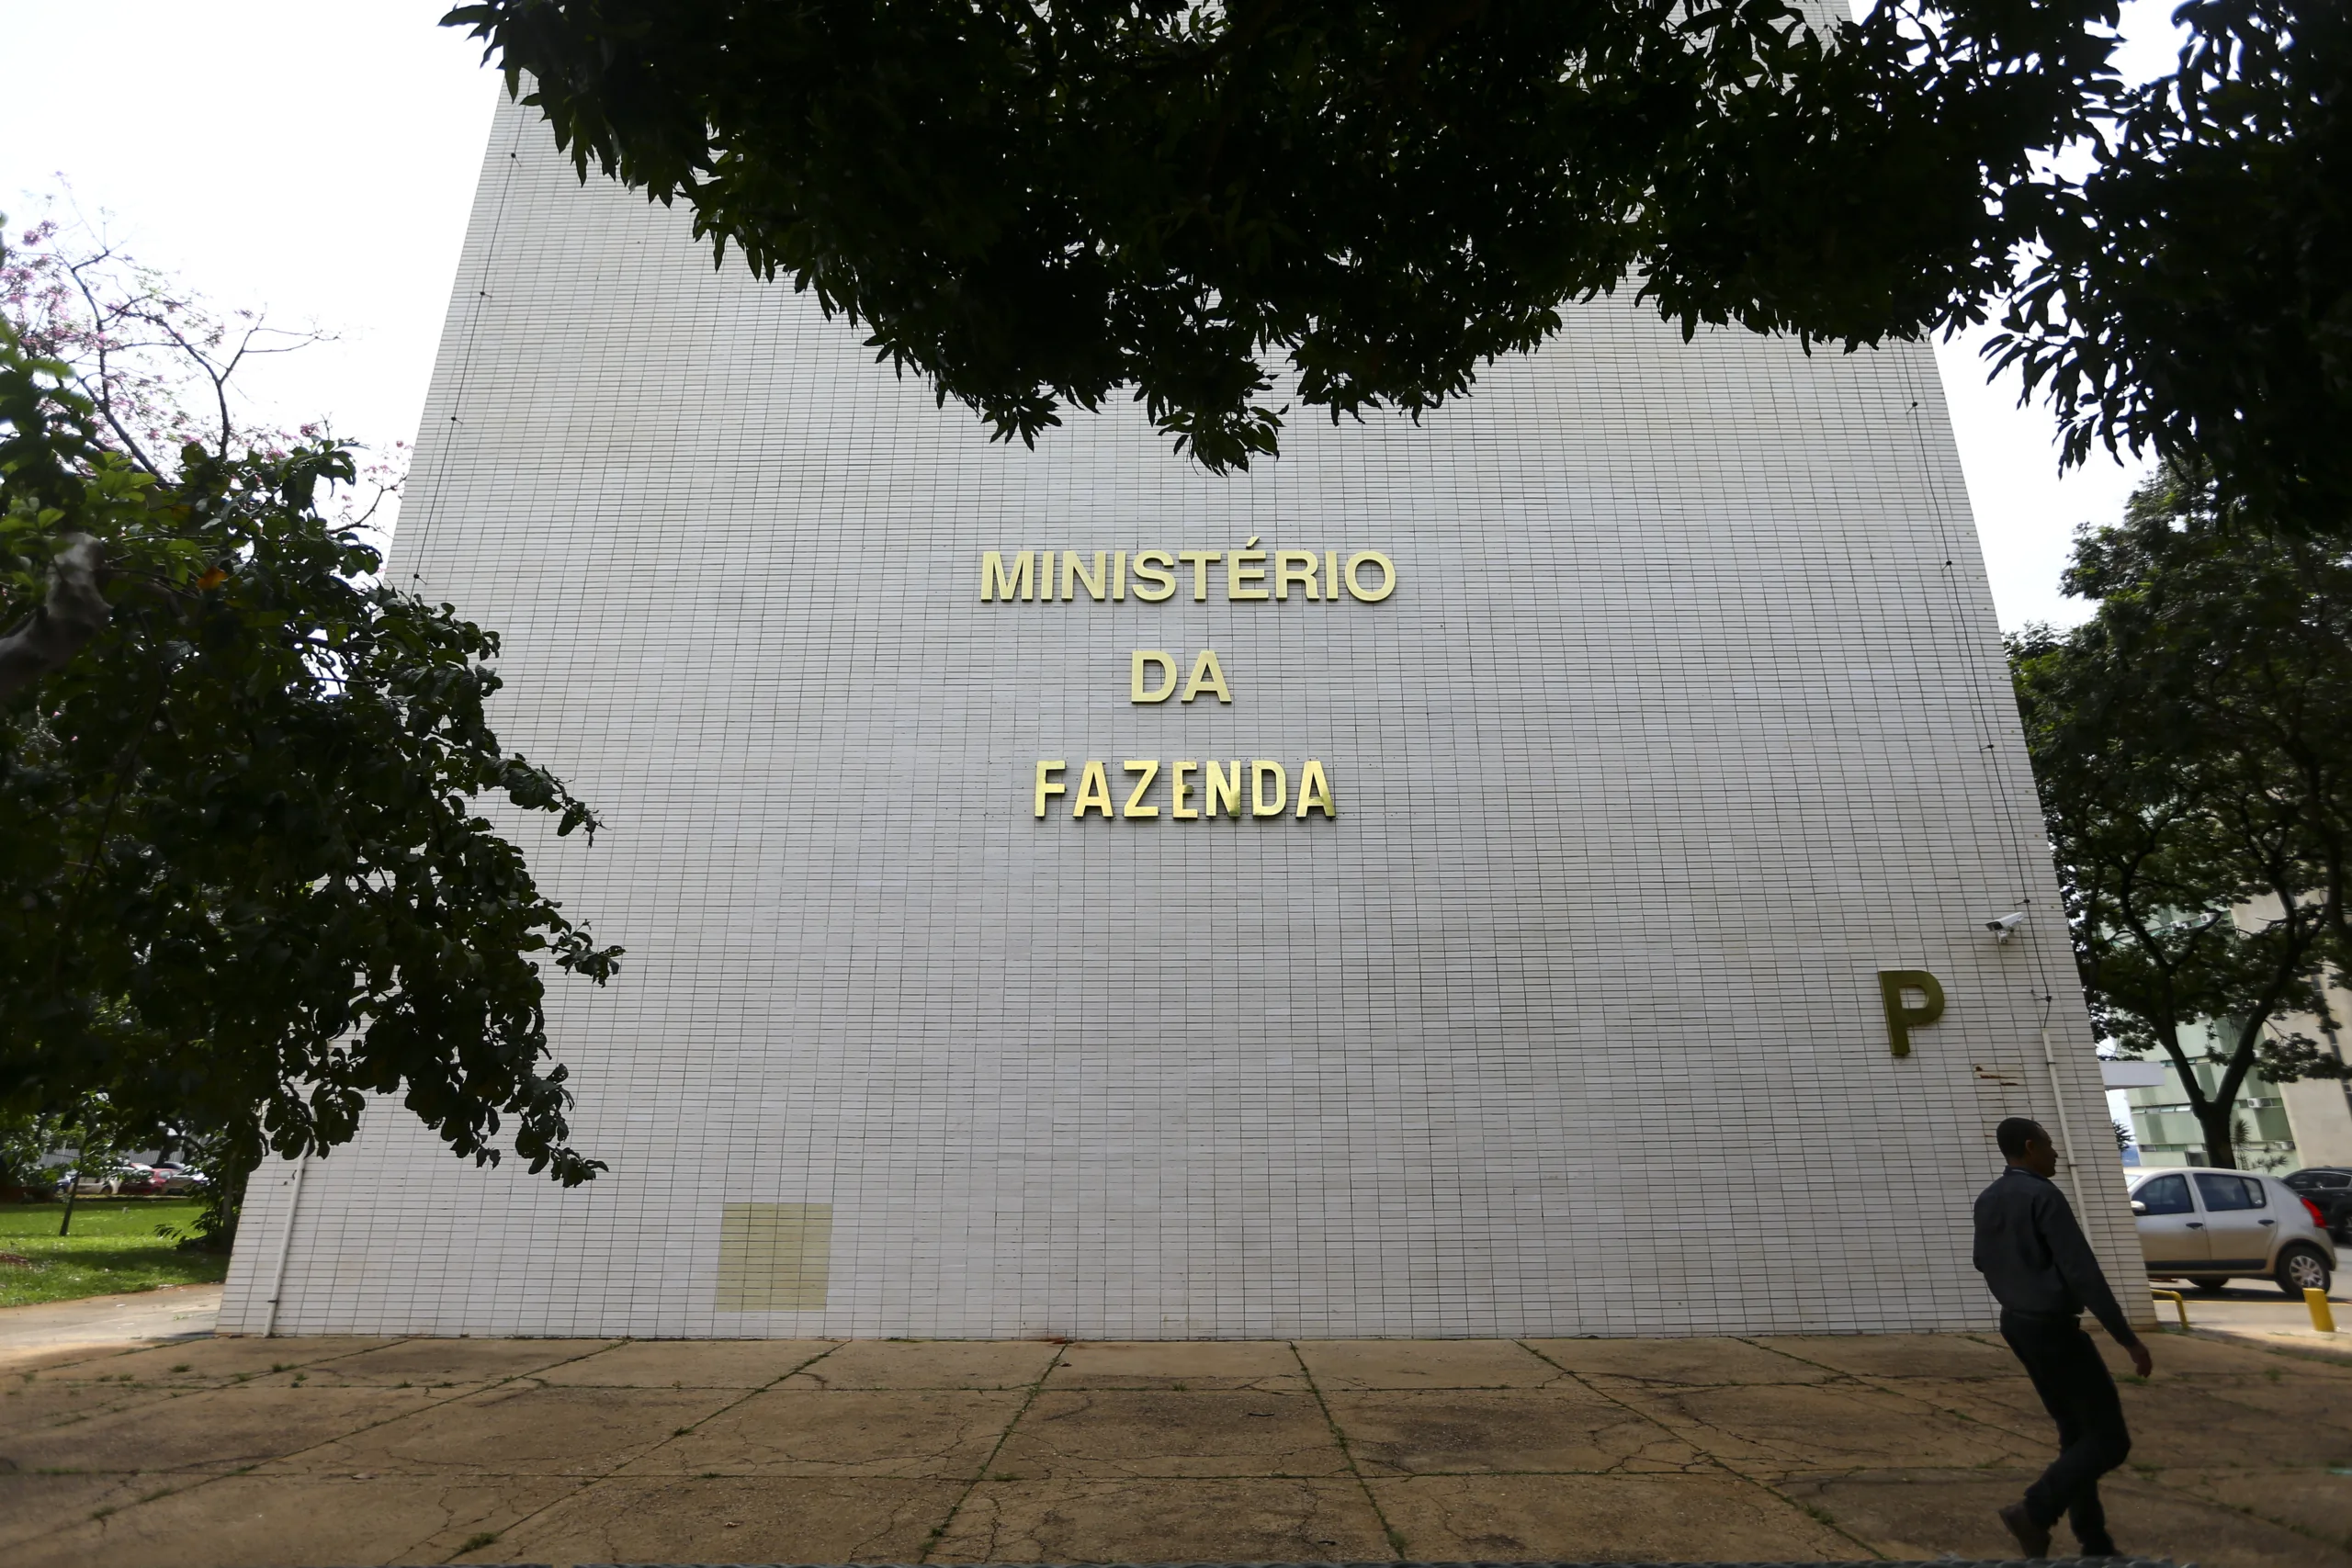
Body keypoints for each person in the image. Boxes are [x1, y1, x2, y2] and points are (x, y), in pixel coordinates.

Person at [1973, 1114, 2153, 1560]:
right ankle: (2034, 1511)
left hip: (2017, 1325)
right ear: (2031, 1147)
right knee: (2110, 1440)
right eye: (2050, 1145)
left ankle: (2095, 1542)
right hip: (2053, 1328)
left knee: (2076, 1434)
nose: (2057, 1153)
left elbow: (1981, 1261)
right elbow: (2082, 1272)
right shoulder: (2042, 1195)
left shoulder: (1988, 1198)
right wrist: (2126, 1338)